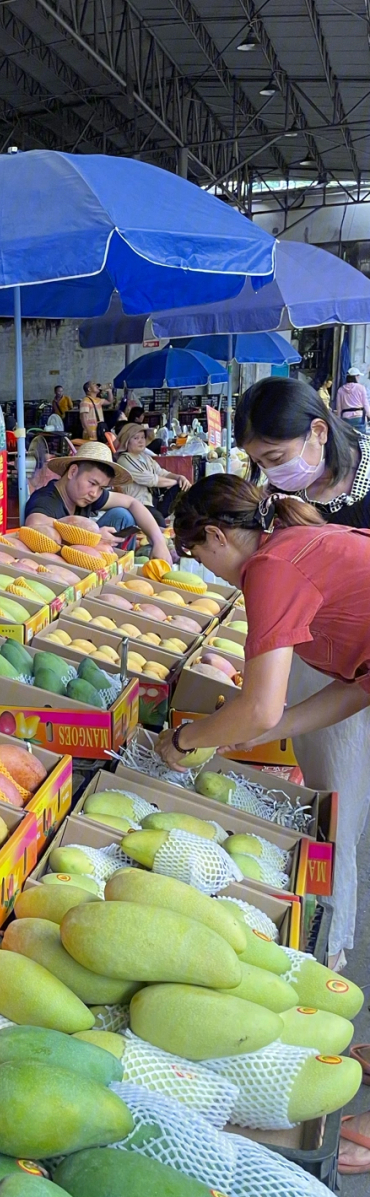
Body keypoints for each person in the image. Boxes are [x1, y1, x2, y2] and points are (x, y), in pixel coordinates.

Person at [232, 375, 370, 976]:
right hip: (322, 661)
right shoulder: (280, 500)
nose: (269, 474)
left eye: (276, 459)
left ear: (319, 430)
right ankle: (330, 948)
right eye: (257, 463)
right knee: (337, 798)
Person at [23, 441, 172, 562]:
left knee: (122, 514)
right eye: (92, 483)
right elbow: (34, 524)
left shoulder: (85, 494)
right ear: (73, 472)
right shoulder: (46, 500)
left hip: (83, 556)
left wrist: (159, 542)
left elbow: (132, 503)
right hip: (54, 565)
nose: (95, 493)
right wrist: (92, 537)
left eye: (101, 487)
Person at [115, 423, 189, 517]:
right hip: (138, 504)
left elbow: (162, 473)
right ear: (127, 441)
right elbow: (151, 480)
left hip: (153, 501)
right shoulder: (125, 460)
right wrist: (177, 482)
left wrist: (180, 477)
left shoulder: (145, 457)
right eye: (136, 438)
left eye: (142, 437)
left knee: (185, 490)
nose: (141, 441)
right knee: (159, 525)